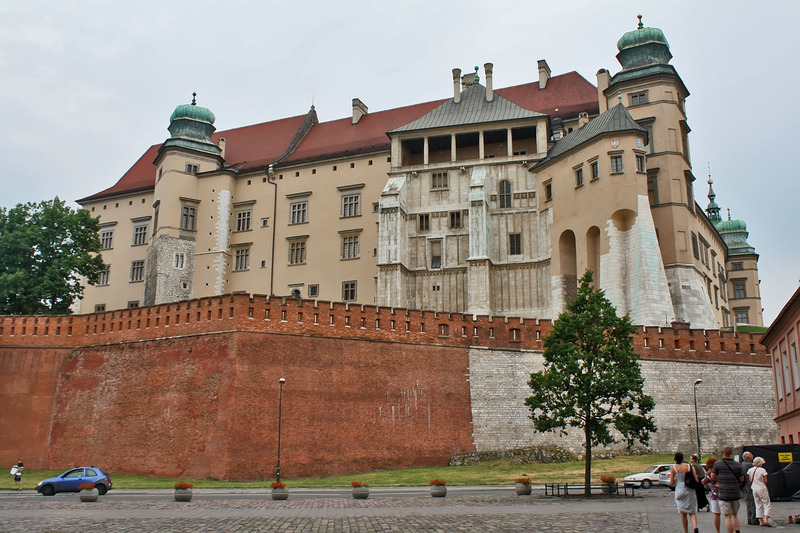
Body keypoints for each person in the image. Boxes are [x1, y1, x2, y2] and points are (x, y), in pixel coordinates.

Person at [711, 445, 743, 533]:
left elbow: (713, 477)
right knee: (735, 514)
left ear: (722, 453)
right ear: (731, 453)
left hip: (724, 493)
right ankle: (737, 530)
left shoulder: (718, 464)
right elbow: (742, 479)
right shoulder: (737, 465)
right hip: (735, 492)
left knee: (727, 516)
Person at [670, 452, 699, 533]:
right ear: (683, 458)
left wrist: (676, 479)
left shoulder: (674, 468)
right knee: (692, 512)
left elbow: (671, 483)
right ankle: (695, 527)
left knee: (683, 514)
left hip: (680, 489)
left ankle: (686, 531)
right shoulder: (689, 466)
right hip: (689, 489)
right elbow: (696, 479)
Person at [748, 457, 772, 527]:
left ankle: (761, 521)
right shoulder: (762, 470)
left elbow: (750, 480)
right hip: (761, 488)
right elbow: (765, 481)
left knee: (758, 504)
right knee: (766, 503)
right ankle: (766, 519)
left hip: (754, 488)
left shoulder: (750, 470)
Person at [703, 456, 721, 533]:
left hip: (714, 494)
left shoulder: (709, 472)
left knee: (716, 514)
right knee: (729, 514)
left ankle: (718, 531)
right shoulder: (721, 471)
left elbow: (704, 482)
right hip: (724, 492)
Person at [739, 451, 757, 525]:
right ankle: (754, 519)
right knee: (752, 502)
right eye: (751, 454)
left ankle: (749, 518)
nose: (752, 455)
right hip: (750, 485)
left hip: (744, 485)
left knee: (748, 502)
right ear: (748, 457)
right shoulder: (751, 465)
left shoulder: (742, 464)